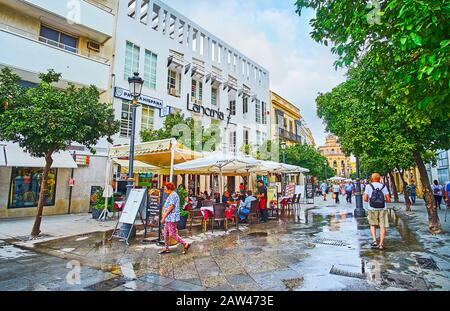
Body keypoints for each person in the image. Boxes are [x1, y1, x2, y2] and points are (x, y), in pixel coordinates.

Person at [159, 182, 190, 255]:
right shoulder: (171, 195)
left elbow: (171, 207)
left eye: (165, 188)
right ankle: (166, 248)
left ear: (169, 188)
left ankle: (185, 244)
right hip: (169, 218)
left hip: (172, 218)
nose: (165, 190)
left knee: (172, 234)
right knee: (165, 232)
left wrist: (164, 217)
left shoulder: (173, 195)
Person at [364, 173, 391, 251]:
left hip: (372, 208)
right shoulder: (384, 186)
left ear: (372, 179)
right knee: (383, 225)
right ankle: (381, 244)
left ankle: (375, 241)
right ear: (379, 179)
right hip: (383, 208)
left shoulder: (368, 186)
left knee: (372, 224)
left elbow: (365, 199)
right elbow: (388, 199)